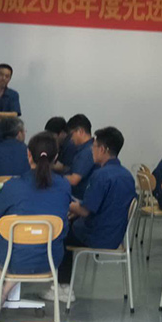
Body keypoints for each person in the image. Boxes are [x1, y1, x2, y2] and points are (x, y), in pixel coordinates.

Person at [0, 132, 72, 312]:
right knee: (30, 244)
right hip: (50, 259)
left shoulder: (13, 185)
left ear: (28, 155)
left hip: (14, 259)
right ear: (56, 157)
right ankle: (4, 291)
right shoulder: (64, 186)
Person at [51, 127, 135, 302]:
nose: (92, 150)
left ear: (102, 149)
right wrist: (77, 207)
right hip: (115, 234)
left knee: (60, 233)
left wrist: (66, 203)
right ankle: (62, 286)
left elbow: (85, 210)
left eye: (94, 146)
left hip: (97, 235)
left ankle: (63, 289)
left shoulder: (101, 175)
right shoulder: (127, 175)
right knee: (69, 223)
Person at [64, 114, 97, 199]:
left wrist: (54, 177)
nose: (71, 139)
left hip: (80, 198)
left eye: (71, 134)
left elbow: (74, 180)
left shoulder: (87, 152)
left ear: (80, 131)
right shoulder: (89, 148)